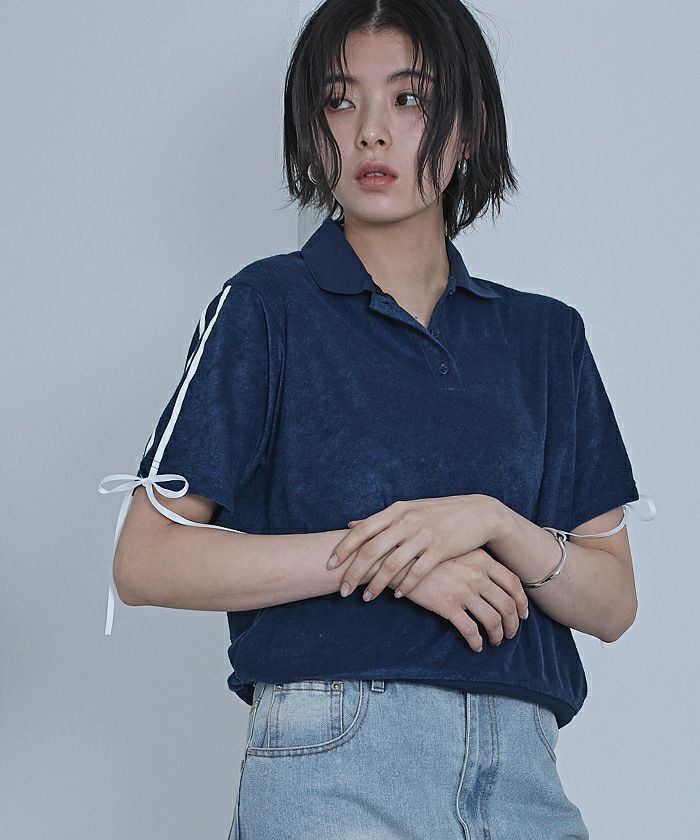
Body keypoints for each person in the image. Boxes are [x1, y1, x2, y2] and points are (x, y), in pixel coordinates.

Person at [98, 1, 656, 837]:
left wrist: (490, 521)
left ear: (468, 129)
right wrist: (396, 562)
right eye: (338, 99)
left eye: (409, 97)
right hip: (333, 764)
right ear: (311, 127)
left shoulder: (545, 337)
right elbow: (146, 560)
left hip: (521, 774)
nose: (370, 132)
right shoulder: (267, 307)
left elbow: (612, 602)